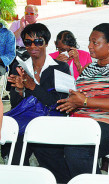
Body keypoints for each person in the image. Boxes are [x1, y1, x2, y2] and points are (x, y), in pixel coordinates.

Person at [56, 23, 109, 181]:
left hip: (108, 123)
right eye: (89, 42)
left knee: (77, 147)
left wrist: (85, 102)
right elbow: (84, 96)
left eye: (95, 42)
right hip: (80, 122)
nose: (89, 46)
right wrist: (72, 100)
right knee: (47, 146)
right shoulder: (89, 67)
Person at [2, 23, 71, 183]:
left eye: (38, 41)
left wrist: (33, 86)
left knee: (52, 161)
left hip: (50, 124)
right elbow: (16, 106)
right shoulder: (19, 67)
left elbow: (59, 104)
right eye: (28, 42)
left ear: (46, 43)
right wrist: (20, 90)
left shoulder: (60, 68)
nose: (33, 46)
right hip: (25, 124)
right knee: (15, 155)